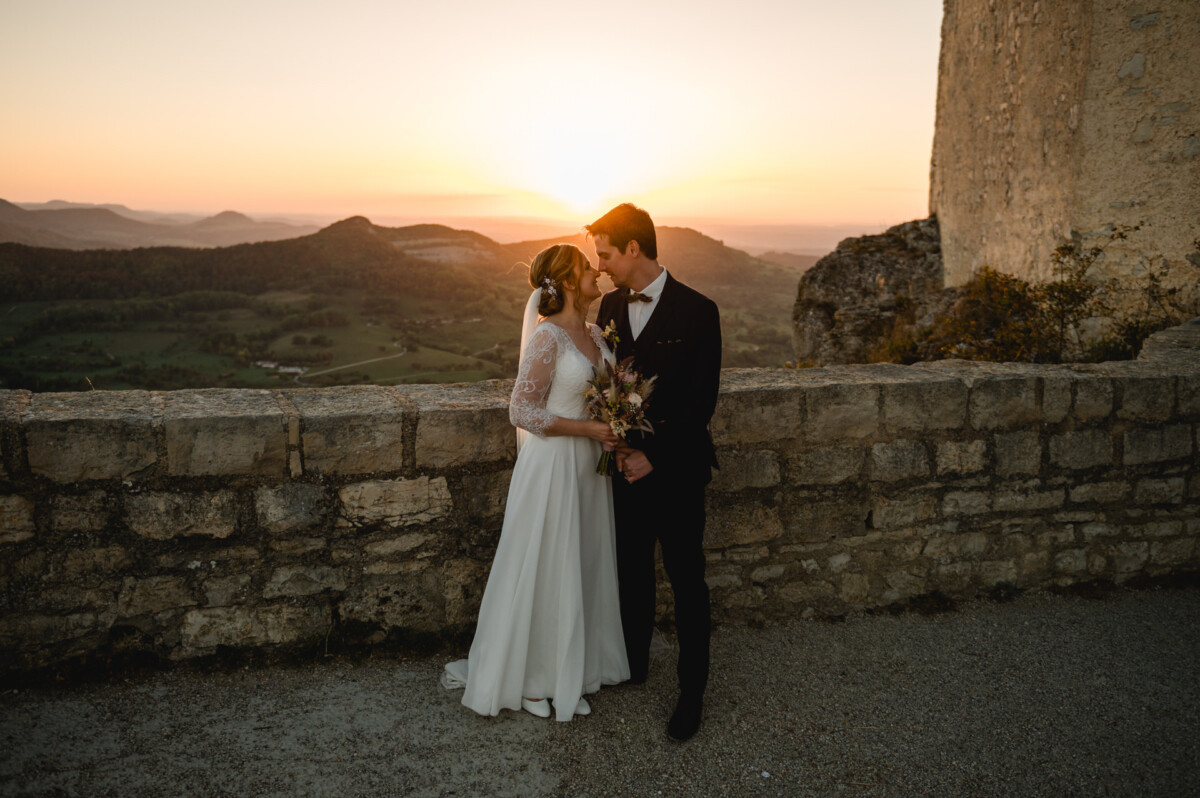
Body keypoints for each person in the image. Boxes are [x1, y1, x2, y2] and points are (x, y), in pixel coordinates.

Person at [442, 243, 630, 722]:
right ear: (567, 281)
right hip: (552, 466)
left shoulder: (594, 333)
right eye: (586, 267)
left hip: (589, 468)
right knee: (545, 564)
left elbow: (601, 398)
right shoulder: (547, 338)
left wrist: (613, 427)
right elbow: (519, 410)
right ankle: (529, 679)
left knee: (579, 563)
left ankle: (570, 670)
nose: (595, 272)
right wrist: (589, 429)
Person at [589, 203, 722, 742]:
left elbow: (701, 404)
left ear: (633, 249)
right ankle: (633, 663)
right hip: (623, 470)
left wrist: (653, 455)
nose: (600, 266)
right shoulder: (606, 307)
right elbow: (603, 386)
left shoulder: (698, 310)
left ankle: (692, 694)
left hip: (679, 471)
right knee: (632, 571)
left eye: (605, 254)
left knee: (687, 579)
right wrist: (619, 447)